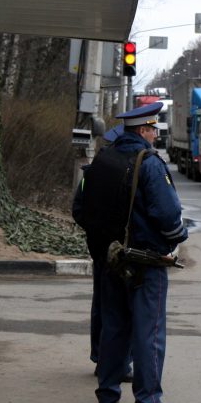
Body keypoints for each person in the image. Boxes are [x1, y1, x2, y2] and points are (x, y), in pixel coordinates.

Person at [76, 102, 188, 403]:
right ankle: (148, 400)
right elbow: (167, 215)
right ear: (143, 130)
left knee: (113, 326)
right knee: (148, 331)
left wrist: (106, 242)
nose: (155, 136)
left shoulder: (102, 159)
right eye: (153, 130)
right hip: (145, 262)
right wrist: (175, 240)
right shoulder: (148, 162)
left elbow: (82, 209)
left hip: (109, 258)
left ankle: (107, 393)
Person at [72, 123, 131, 381]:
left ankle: (101, 357)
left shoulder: (92, 173)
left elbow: (79, 210)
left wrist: (95, 232)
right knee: (118, 308)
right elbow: (80, 209)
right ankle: (112, 361)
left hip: (99, 248)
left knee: (102, 305)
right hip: (117, 252)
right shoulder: (123, 173)